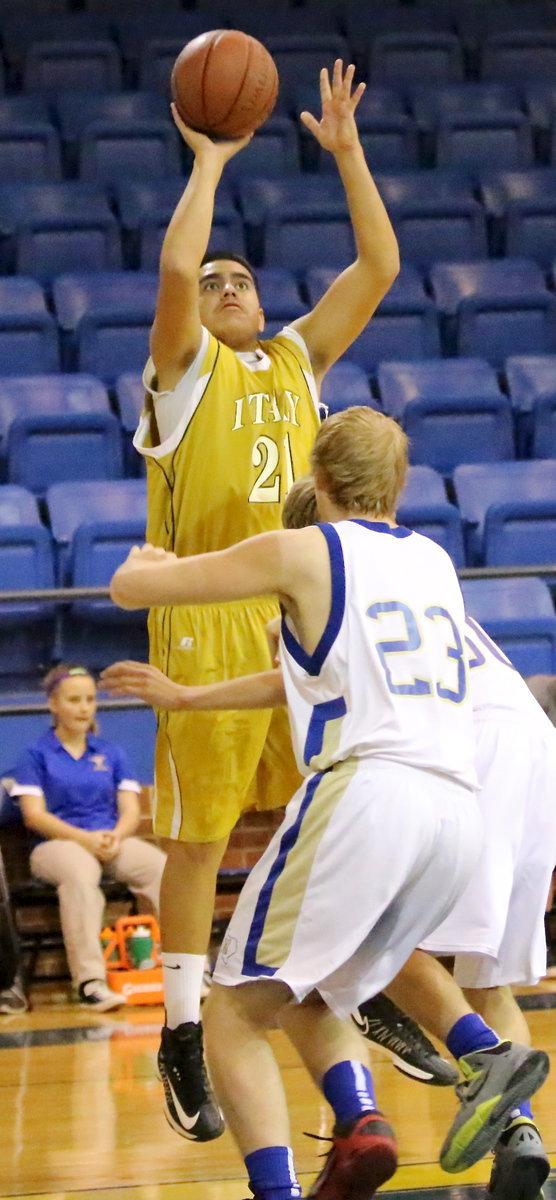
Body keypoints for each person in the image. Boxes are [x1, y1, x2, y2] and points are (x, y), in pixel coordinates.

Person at [108, 408, 549, 1200]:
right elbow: (315, 676)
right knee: (322, 980)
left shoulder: (303, 549)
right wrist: (194, 696)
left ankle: (279, 1188)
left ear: (315, 476)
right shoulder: (435, 562)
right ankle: (391, 1105)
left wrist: (139, 564)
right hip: (456, 808)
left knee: (233, 1013)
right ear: (401, 484)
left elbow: (137, 590)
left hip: (370, 792)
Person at [132, 58, 400, 1141]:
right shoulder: (181, 372)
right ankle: (185, 1027)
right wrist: (210, 162)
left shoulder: (295, 364)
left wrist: (346, 153)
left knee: (321, 815)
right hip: (202, 607)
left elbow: (378, 264)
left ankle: (348, 985)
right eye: (217, 280)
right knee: (199, 842)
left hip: (300, 615)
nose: (229, 283)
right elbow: (173, 266)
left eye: (243, 276)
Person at [10, 665, 166, 1013]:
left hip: (108, 839)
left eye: (90, 700)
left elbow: (129, 810)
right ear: (53, 705)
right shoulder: (35, 755)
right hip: (57, 845)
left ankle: (177, 968)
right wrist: (84, 839)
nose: (83, 708)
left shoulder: (111, 753)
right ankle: (90, 982)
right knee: (81, 874)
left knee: (161, 867)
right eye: (74, 700)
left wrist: (116, 835)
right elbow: (34, 816)